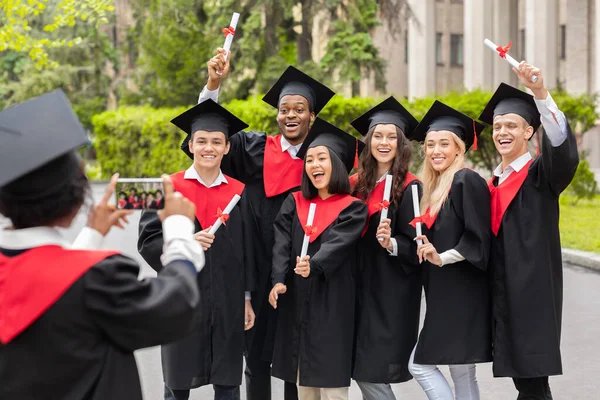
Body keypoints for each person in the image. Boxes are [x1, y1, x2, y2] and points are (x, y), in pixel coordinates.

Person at [0, 90, 205, 400]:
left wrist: (92, 234)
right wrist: (178, 227)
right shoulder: (97, 281)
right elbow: (176, 306)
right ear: (77, 197)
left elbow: (47, 276)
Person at [195, 48, 335, 400]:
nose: (290, 115)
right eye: (284, 109)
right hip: (255, 268)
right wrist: (213, 85)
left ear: (312, 116)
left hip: (302, 269)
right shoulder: (252, 147)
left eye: (299, 110)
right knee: (255, 357)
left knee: (295, 356)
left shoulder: (324, 157)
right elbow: (208, 138)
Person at [138, 99, 255, 400]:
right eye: (201, 141)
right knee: (177, 384)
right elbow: (147, 240)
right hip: (182, 298)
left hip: (228, 302)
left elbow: (249, 251)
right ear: (190, 145)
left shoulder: (240, 193)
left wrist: (246, 298)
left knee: (228, 385)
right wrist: (187, 243)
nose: (209, 148)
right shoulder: (166, 187)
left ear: (227, 148)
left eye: (217, 142)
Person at [478, 64, 579, 400]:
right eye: (497, 126)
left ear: (529, 133)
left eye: (512, 125)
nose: (502, 131)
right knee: (528, 383)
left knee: (532, 381)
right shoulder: (492, 183)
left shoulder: (540, 176)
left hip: (532, 297)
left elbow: (561, 148)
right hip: (502, 295)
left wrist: (540, 93)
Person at [268, 118, 368, 400]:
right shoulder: (294, 201)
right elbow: (281, 244)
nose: (314, 165)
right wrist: (277, 281)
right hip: (298, 299)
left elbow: (339, 243)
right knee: (305, 387)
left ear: (337, 164)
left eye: (321, 158)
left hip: (333, 300)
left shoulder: (353, 208)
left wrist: (314, 263)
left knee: (332, 387)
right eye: (309, 159)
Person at [407, 100, 492, 400]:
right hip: (444, 291)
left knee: (419, 365)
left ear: (459, 148)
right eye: (430, 145)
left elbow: (478, 238)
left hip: (461, 292)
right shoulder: (433, 189)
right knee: (461, 371)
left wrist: (441, 257)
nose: (435, 151)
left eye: (444, 143)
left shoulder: (465, 179)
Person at [348, 97, 423, 400]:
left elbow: (414, 248)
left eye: (392, 137)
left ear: (401, 143)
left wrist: (390, 242)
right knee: (358, 366)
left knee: (370, 372)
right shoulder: (356, 184)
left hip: (389, 293)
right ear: (368, 141)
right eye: (378, 136)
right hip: (356, 289)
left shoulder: (410, 187)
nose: (384, 142)